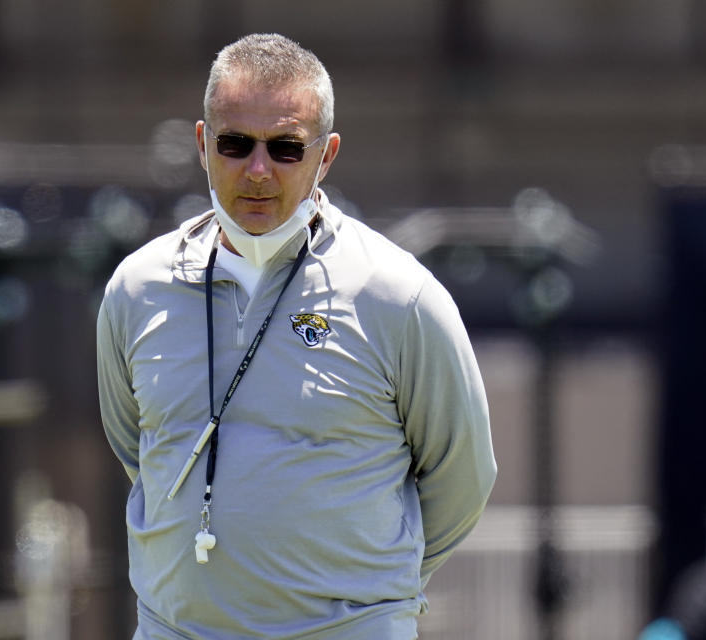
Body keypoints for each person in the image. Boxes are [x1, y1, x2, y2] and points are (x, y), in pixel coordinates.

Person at [96, 33, 496, 640]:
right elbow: (138, 449)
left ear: (325, 156)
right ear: (203, 146)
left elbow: (463, 477)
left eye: (285, 148)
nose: (258, 169)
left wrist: (367, 597)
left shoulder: (399, 295)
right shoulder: (136, 288)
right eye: (235, 144)